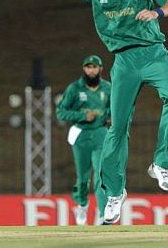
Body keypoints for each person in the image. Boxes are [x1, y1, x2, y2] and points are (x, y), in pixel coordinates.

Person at [45, 0, 168, 225]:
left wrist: (156, 12)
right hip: (123, 62)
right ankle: (114, 194)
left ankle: (162, 164)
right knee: (117, 129)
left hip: (154, 55)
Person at [56, 55, 111, 225]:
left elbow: (115, 108)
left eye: (94, 67)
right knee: (82, 177)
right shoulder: (75, 88)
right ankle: (82, 205)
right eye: (88, 67)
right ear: (84, 69)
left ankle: (103, 214)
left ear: (100, 69)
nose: (91, 70)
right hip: (81, 135)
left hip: (100, 134)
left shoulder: (108, 88)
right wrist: (82, 116)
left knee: (101, 175)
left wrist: (109, 116)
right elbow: (61, 111)